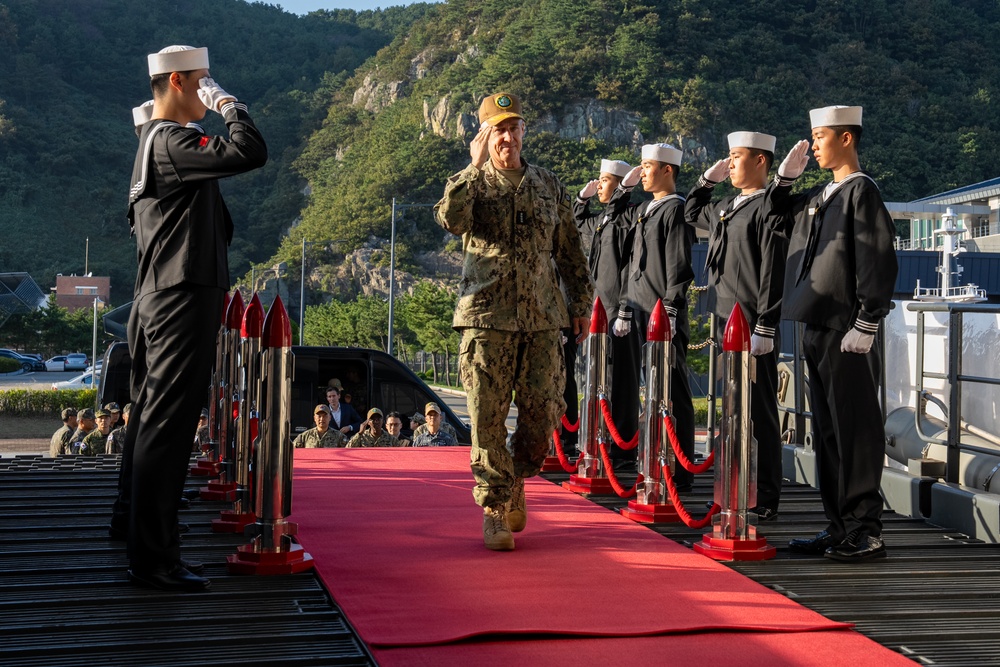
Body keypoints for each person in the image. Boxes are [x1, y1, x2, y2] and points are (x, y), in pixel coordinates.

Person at [110, 44, 267, 593]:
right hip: (180, 294)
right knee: (167, 427)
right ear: (178, 81)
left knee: (157, 421)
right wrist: (230, 104)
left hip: (167, 292)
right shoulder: (171, 140)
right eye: (203, 81)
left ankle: (142, 538)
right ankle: (154, 558)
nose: (209, 88)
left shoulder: (157, 146)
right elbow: (250, 150)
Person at [435, 91, 593, 551]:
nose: (507, 136)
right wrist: (472, 166)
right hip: (486, 317)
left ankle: (517, 476)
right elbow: (450, 219)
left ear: (524, 131)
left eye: (513, 127)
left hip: (543, 317)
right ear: (485, 135)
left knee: (544, 409)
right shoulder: (471, 184)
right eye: (498, 129)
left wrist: (580, 305)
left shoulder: (548, 185)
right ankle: (493, 507)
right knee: (486, 414)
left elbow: (570, 252)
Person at [774, 106, 898, 562]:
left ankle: (866, 530)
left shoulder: (860, 192)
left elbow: (876, 256)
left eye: (821, 136)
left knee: (856, 431)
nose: (814, 144)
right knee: (828, 432)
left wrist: (868, 321)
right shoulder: (823, 195)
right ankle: (839, 524)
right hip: (818, 325)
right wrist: (784, 181)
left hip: (848, 329)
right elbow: (774, 219)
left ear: (847, 138)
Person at [684, 131, 790, 520]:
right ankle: (733, 485)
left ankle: (764, 496)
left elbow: (771, 270)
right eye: (728, 157)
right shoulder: (727, 205)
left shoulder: (767, 207)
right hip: (724, 319)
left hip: (750, 322)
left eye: (736, 156)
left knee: (758, 412)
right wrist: (705, 183)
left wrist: (766, 322)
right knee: (731, 408)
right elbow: (691, 212)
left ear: (760, 161)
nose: (730, 164)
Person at [614, 143, 696, 489]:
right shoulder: (646, 208)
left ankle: (682, 468)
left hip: (663, 314)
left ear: (668, 170)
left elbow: (678, 264)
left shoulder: (674, 210)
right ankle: (657, 457)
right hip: (641, 310)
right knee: (653, 389)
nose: (643, 172)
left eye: (648, 166)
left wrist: (673, 308)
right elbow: (627, 249)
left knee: (674, 390)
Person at [574, 158, 641, 465]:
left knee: (622, 379)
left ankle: (623, 448)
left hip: (618, 311)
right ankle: (600, 440)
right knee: (599, 378)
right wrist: (581, 200)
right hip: (599, 311)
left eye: (604, 180)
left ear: (620, 183)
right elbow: (578, 223)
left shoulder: (628, 217)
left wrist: (626, 307)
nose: (599, 185)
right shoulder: (604, 218)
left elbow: (631, 265)